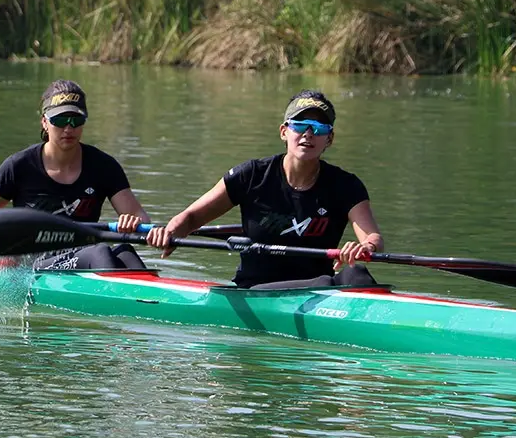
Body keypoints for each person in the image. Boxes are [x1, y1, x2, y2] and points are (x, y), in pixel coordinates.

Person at [147, 90, 383, 289]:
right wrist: (169, 232)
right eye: (300, 125)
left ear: (329, 139)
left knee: (356, 274)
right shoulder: (252, 175)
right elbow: (192, 217)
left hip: (317, 292)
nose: (308, 134)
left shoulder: (346, 185)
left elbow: (373, 238)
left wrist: (364, 247)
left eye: (319, 128)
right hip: (253, 291)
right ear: (284, 132)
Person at [0, 80, 151, 270]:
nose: (68, 128)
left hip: (83, 256)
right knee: (101, 251)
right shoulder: (19, 165)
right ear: (44, 122)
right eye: (60, 120)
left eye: (75, 120)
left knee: (125, 251)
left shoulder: (104, 166)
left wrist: (132, 223)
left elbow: (140, 218)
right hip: (32, 262)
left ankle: (154, 302)